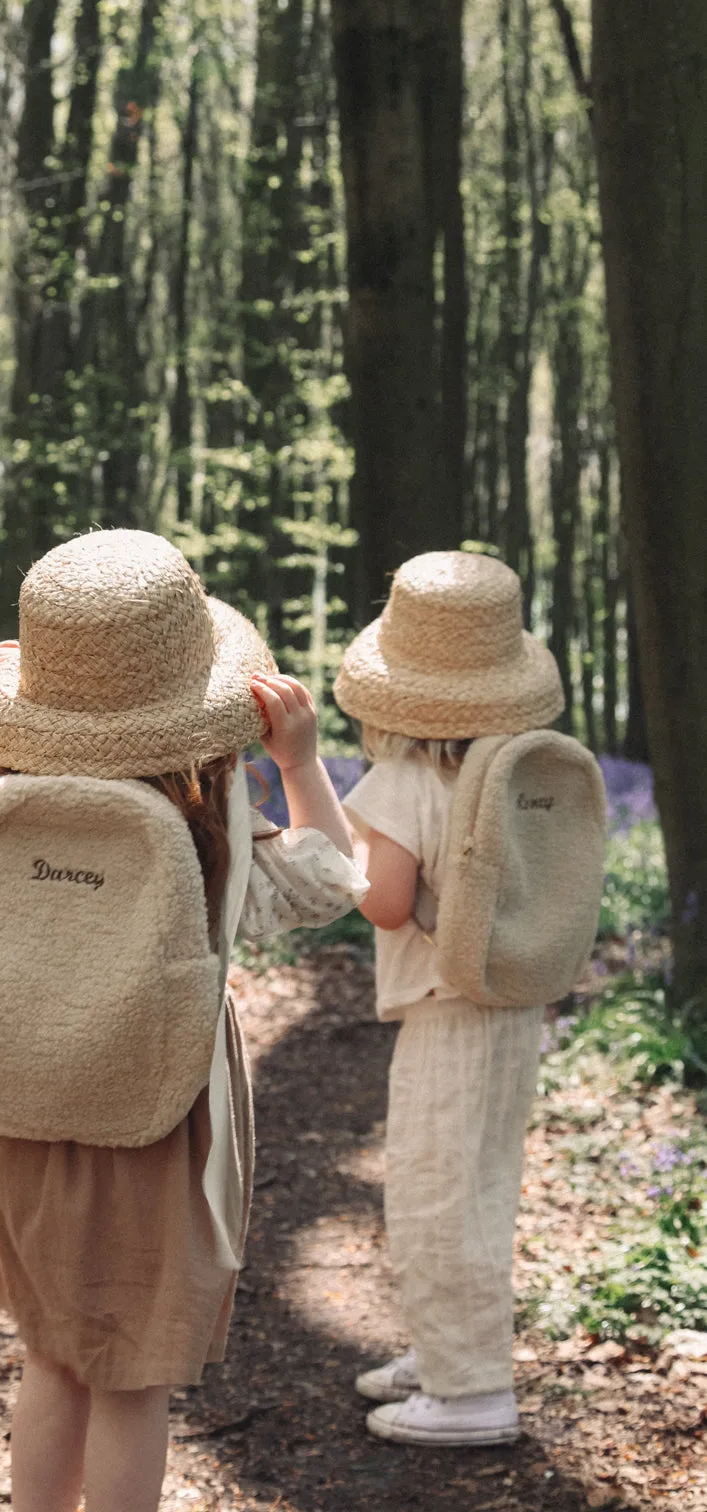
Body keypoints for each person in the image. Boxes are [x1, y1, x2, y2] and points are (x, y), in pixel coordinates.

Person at [0, 528, 367, 1512]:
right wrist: (301, 763)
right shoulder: (217, 815)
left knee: (52, 1355)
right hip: (155, 1111)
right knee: (129, 1374)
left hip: (17, 1106)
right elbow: (332, 882)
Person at [332, 550, 567, 1448]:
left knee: (433, 1191)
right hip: (511, 997)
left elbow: (386, 902)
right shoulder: (514, 774)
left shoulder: (401, 783)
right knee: (480, 1185)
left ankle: (469, 1393)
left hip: (442, 1004)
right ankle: (447, 1352)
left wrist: (335, 864)